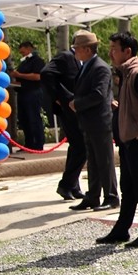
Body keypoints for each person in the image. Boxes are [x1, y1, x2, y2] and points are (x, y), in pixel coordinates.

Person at [98, 31, 138, 247]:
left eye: (114, 49)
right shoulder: (126, 73)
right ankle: (121, 229)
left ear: (127, 51)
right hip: (128, 140)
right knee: (129, 186)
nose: (110, 54)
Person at [68, 31, 118, 212]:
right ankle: (93, 196)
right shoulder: (86, 66)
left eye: (77, 48)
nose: (75, 52)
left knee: (104, 160)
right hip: (89, 121)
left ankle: (111, 196)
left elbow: (99, 94)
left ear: (87, 49)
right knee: (94, 161)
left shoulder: (100, 68)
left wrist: (77, 104)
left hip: (99, 121)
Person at [40, 40, 86, 200]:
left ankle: (73, 185)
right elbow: (46, 73)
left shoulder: (82, 60)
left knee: (76, 147)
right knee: (81, 146)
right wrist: (59, 97)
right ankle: (66, 184)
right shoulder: (65, 57)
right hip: (68, 109)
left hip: (78, 108)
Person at [10, 40, 46, 150]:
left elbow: (37, 76)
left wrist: (19, 75)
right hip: (22, 93)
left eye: (23, 52)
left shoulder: (37, 61)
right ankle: (29, 143)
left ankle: (38, 143)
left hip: (33, 93)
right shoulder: (24, 62)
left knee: (33, 118)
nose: (22, 54)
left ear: (29, 48)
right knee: (24, 119)